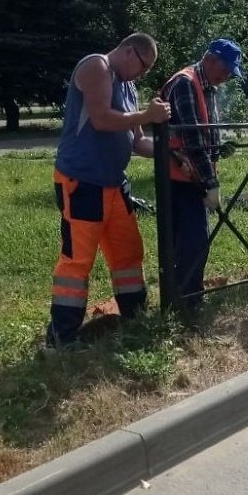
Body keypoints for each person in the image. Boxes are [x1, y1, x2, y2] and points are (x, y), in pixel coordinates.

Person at [46, 33, 171, 349]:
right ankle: (62, 337)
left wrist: (171, 150)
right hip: (82, 182)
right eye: (142, 67)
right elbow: (101, 119)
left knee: (128, 253)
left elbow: (137, 141)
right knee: (77, 262)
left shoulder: (128, 85)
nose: (141, 76)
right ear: (129, 52)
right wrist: (147, 115)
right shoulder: (96, 67)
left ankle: (135, 316)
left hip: (114, 183)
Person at [161, 38, 243, 307]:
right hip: (179, 177)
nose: (228, 76)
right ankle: (187, 299)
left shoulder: (208, 86)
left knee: (190, 242)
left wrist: (219, 149)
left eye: (231, 71)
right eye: (225, 69)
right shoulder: (186, 83)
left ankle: (183, 295)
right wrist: (211, 181)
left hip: (192, 175)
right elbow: (192, 137)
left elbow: (207, 133)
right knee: (192, 242)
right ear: (209, 59)